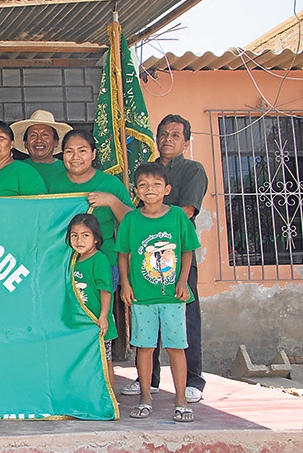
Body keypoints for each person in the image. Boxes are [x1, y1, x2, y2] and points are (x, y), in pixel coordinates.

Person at [121, 114, 209, 404]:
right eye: (163, 134)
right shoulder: (148, 170)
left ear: (186, 141)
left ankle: (193, 380)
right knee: (147, 324)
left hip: (177, 262)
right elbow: (136, 213)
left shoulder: (192, 170)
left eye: (175, 135)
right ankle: (151, 380)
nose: (167, 139)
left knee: (184, 322)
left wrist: (157, 221)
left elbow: (187, 211)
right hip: (145, 260)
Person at [117, 163, 200, 423]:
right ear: (136, 191)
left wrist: (183, 281)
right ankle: (145, 397)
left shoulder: (177, 216)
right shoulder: (131, 219)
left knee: (176, 347)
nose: (149, 189)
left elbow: (187, 249)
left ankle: (181, 400)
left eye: (155, 185)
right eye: (143, 185)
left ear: (167, 189)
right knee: (144, 347)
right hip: (142, 297)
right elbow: (123, 254)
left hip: (173, 297)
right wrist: (126, 284)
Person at [46, 129, 134, 275]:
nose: (75, 157)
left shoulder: (111, 184)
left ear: (93, 154)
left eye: (82, 151)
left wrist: (113, 202)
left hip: (103, 263)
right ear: (62, 154)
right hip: (61, 262)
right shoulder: (51, 182)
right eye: (69, 151)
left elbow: (133, 222)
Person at [67, 213, 117, 387]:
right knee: (85, 362)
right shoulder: (73, 261)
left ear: (96, 238)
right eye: (74, 235)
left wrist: (103, 316)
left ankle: (109, 397)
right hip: (81, 323)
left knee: (105, 360)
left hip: (98, 322)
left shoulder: (100, 260)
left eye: (85, 235)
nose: (79, 240)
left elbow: (105, 291)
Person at [10, 110, 72, 183]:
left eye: (45, 135)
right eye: (33, 135)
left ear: (56, 142)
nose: (39, 140)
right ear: (25, 143)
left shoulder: (69, 168)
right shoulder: (16, 169)